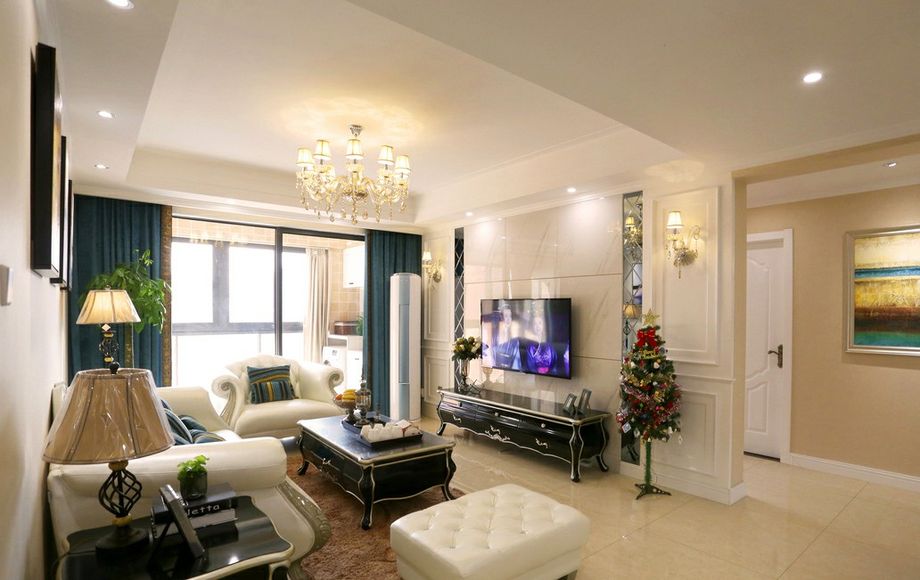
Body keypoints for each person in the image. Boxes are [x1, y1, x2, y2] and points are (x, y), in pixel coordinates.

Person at [523, 309, 558, 375]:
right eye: (535, 324)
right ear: (532, 326)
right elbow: (530, 367)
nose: (538, 326)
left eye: (540, 323)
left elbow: (554, 363)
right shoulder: (529, 346)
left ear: (543, 325)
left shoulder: (549, 344)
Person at [492, 304, 522, 371]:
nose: (508, 319)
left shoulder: (516, 339)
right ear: (501, 318)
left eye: (510, 316)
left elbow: (517, 363)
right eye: (506, 316)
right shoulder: (495, 336)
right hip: (497, 369)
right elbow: (492, 357)